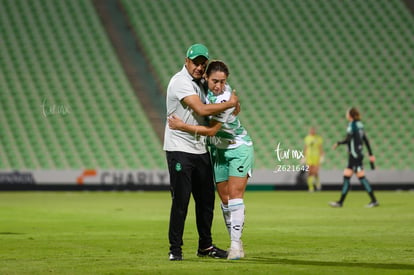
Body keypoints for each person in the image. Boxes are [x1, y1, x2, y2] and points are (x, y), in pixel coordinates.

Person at [168, 60, 254, 260]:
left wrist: (182, 126)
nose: (219, 86)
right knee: (224, 200)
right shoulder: (200, 89)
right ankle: (237, 241)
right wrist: (235, 104)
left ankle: (234, 246)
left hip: (238, 146)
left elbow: (212, 130)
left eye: (223, 82)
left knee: (234, 196)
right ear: (206, 78)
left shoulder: (224, 98)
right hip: (218, 149)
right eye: (215, 81)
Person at [329, 107, 379, 208]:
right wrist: (370, 154)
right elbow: (366, 140)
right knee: (346, 177)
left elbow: (348, 139)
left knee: (361, 178)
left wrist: (338, 143)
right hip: (356, 155)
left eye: (347, 113)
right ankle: (340, 202)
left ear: (350, 115)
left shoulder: (352, 125)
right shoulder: (360, 125)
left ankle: (374, 200)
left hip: (355, 156)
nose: (346, 114)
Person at [304, 127, 324, 192]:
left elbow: (320, 147)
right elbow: (306, 147)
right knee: (309, 172)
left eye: (313, 130)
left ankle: (317, 183)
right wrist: (303, 156)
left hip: (316, 156)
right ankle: (311, 187)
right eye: (311, 130)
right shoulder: (307, 138)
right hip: (309, 157)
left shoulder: (318, 138)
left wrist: (321, 156)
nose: (312, 131)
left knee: (315, 172)